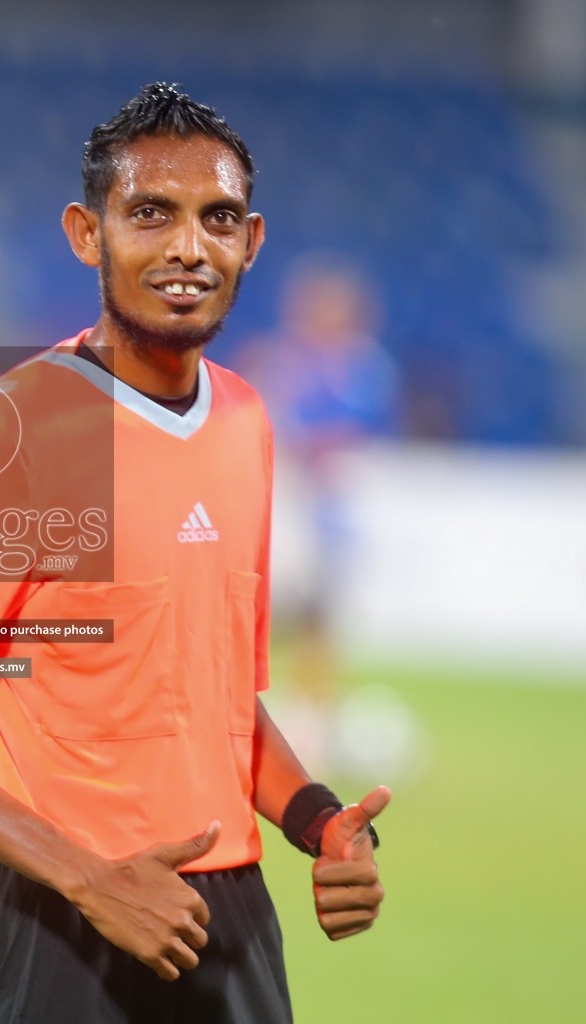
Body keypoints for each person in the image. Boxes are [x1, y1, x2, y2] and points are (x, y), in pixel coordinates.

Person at [0, 84, 388, 1023]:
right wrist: (91, 881)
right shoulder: (17, 425)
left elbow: (217, 702)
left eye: (216, 219)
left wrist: (317, 818)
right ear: (87, 234)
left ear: (249, 242)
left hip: (228, 925)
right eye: (149, 215)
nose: (186, 248)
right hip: (52, 919)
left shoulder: (248, 422)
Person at [235, 257, 400, 777]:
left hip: (332, 517)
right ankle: (246, 716)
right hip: (285, 513)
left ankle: (310, 728)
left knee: (320, 626)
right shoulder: (282, 362)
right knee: (265, 617)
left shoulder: (365, 369)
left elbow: (359, 439)